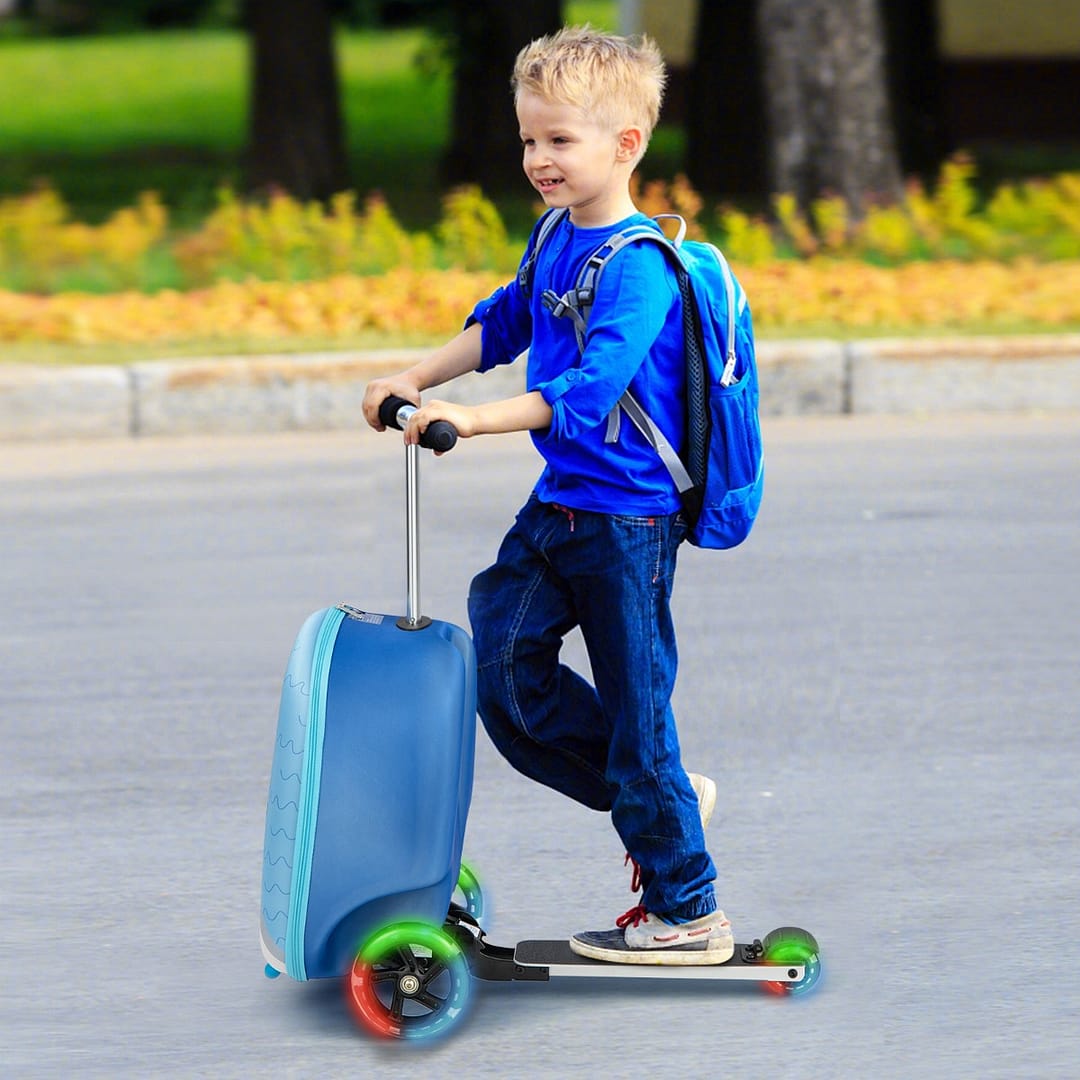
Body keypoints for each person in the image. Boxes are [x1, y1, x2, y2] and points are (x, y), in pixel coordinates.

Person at [362, 25, 732, 964]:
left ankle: (689, 910)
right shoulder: (554, 238)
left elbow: (588, 391)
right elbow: (505, 322)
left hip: (628, 522)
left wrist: (475, 424)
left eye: (560, 141)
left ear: (626, 145)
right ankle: (667, 793)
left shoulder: (641, 266)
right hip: (562, 509)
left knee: (637, 708)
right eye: (530, 140)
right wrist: (417, 378)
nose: (538, 160)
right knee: (506, 678)